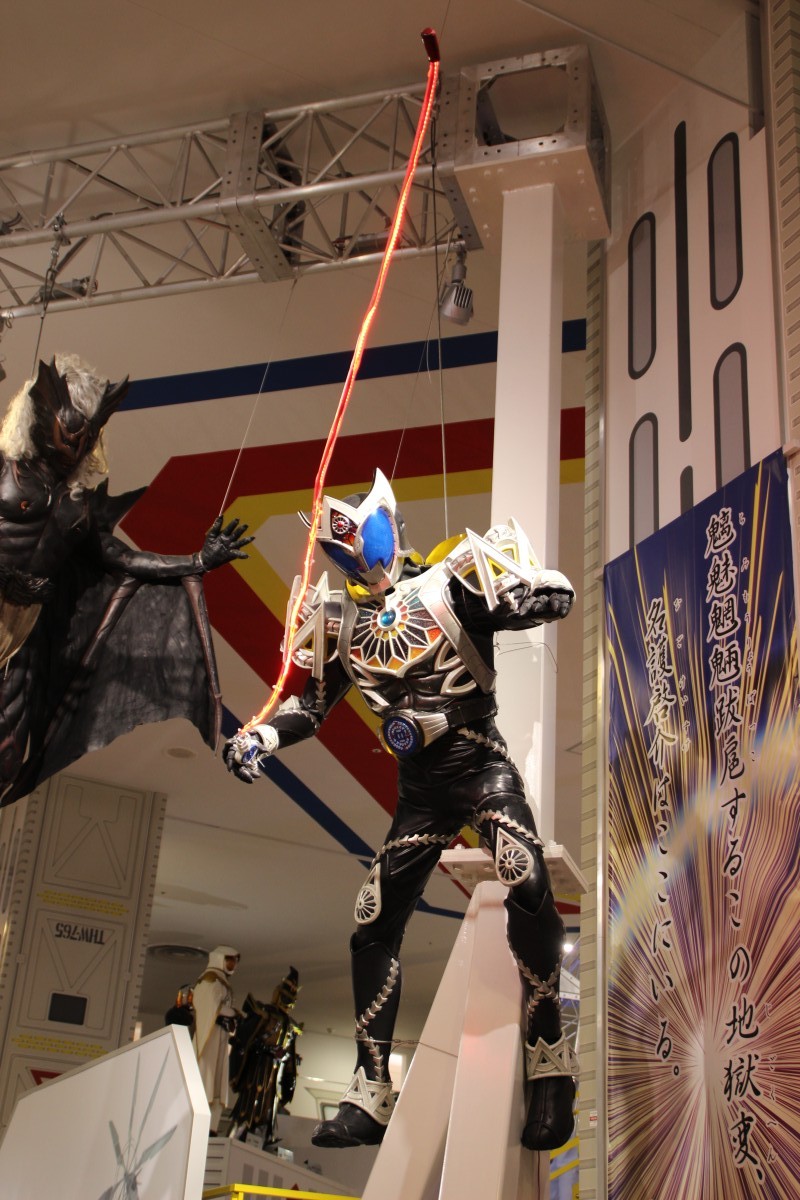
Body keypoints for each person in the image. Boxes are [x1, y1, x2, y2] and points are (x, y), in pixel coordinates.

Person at [224, 468, 578, 1152]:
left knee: (526, 878)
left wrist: (534, 590)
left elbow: (544, 598)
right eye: (345, 549)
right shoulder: (339, 621)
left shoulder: (452, 581)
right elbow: (312, 706)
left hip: (480, 769)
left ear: (388, 527)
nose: (360, 558)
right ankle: (370, 1090)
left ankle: (549, 1062)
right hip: (420, 793)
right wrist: (263, 736)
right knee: (372, 923)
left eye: (365, 541)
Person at [0, 353, 252, 805]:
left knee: (7, 752)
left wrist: (197, 560)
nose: (77, 444)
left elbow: (122, 560)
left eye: (87, 434)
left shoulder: (76, 507)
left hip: (25, 633)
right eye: (71, 430)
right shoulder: (6, 470)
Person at [192, 945, 241, 1134]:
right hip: (210, 1036)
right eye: (230, 960)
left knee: (218, 1080)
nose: (233, 965)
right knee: (208, 1076)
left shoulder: (221, 981)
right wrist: (233, 1013)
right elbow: (211, 1006)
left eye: (234, 961)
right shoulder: (210, 980)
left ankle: (212, 1127)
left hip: (220, 1035)